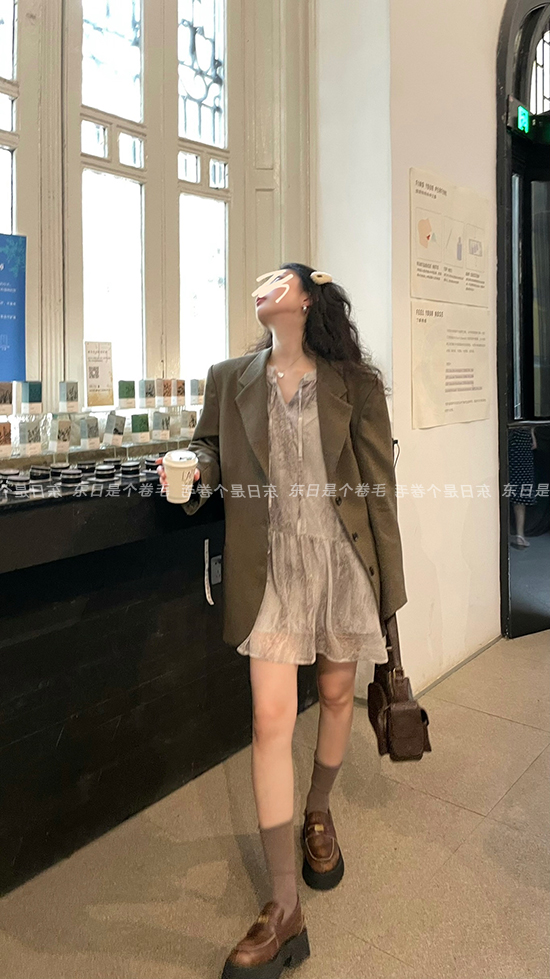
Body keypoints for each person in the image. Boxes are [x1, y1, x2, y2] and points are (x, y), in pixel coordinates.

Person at [156, 262, 408, 979]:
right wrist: (191, 463)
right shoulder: (228, 377)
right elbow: (211, 448)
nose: (261, 285)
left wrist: (391, 593)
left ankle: (318, 810)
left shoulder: (355, 382)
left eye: (277, 278)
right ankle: (284, 904)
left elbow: (378, 486)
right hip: (269, 567)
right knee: (269, 720)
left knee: (335, 695)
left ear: (306, 294)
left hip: (340, 560)